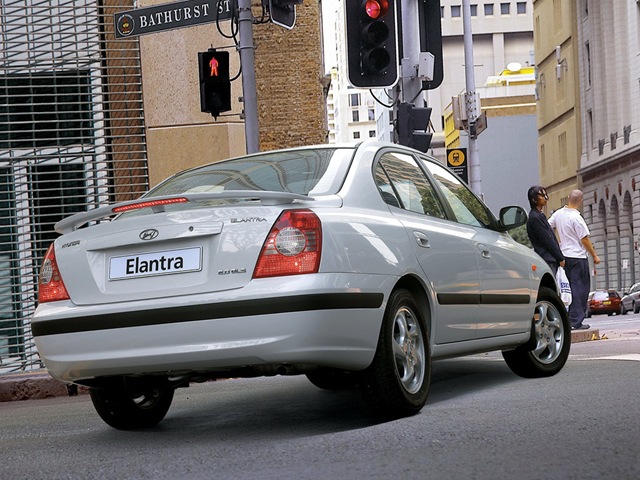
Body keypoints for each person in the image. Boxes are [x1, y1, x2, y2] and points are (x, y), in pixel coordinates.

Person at [548, 189, 601, 330]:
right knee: (580, 289)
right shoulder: (576, 218)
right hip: (578, 257)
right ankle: (575, 321)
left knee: (568, 288)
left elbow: (548, 227)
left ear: (568, 198)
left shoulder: (558, 214)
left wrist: (557, 242)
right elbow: (584, 239)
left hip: (564, 256)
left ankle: (567, 319)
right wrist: (594, 255)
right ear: (581, 201)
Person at [526, 186, 565, 276]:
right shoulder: (535, 218)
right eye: (542, 195)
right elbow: (547, 239)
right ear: (534, 199)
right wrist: (560, 258)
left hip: (549, 258)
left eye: (546, 195)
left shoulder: (539, 216)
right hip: (547, 259)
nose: (546, 198)